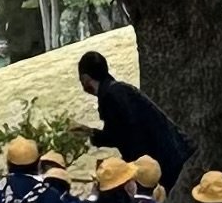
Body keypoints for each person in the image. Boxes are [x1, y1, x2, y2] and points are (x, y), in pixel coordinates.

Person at [76, 49, 189, 189]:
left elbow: (117, 136)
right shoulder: (119, 90)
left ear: (86, 78)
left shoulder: (110, 97)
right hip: (168, 151)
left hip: (158, 158)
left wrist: (90, 133)